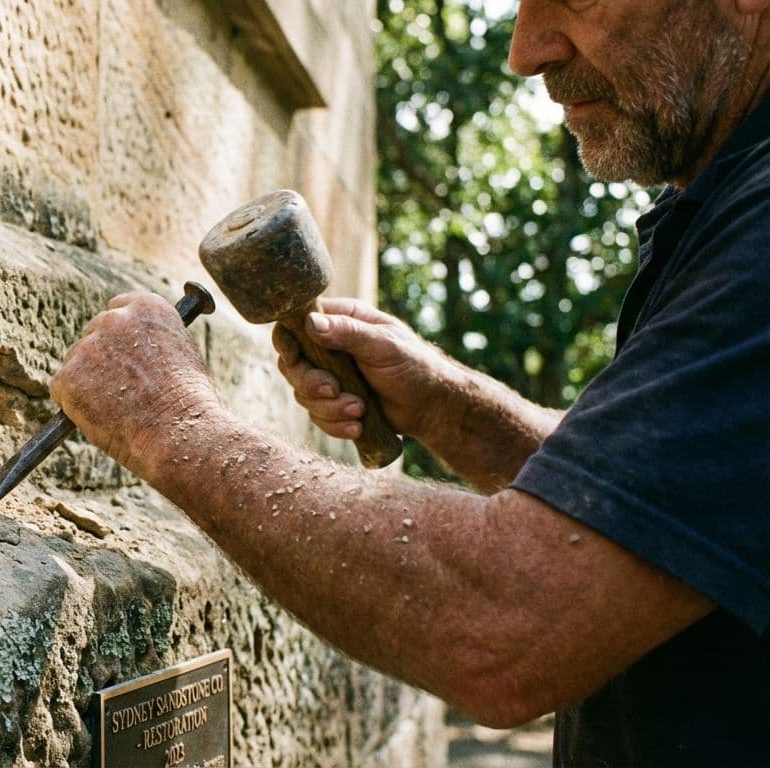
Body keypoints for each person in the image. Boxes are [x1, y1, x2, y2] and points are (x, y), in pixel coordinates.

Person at [48, 1, 770, 765]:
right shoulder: (719, 203)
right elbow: (664, 515)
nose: (527, 51)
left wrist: (168, 419)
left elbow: (506, 623)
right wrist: (453, 410)